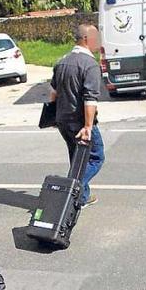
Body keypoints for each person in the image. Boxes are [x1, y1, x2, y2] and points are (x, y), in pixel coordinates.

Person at [49, 24, 106, 207]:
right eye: (96, 37)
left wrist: (53, 115)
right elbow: (90, 99)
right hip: (80, 122)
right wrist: (88, 126)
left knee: (76, 157)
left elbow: (53, 93)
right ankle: (71, 189)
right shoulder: (89, 65)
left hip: (62, 120)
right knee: (96, 156)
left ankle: (81, 197)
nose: (99, 41)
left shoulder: (61, 61)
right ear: (86, 40)